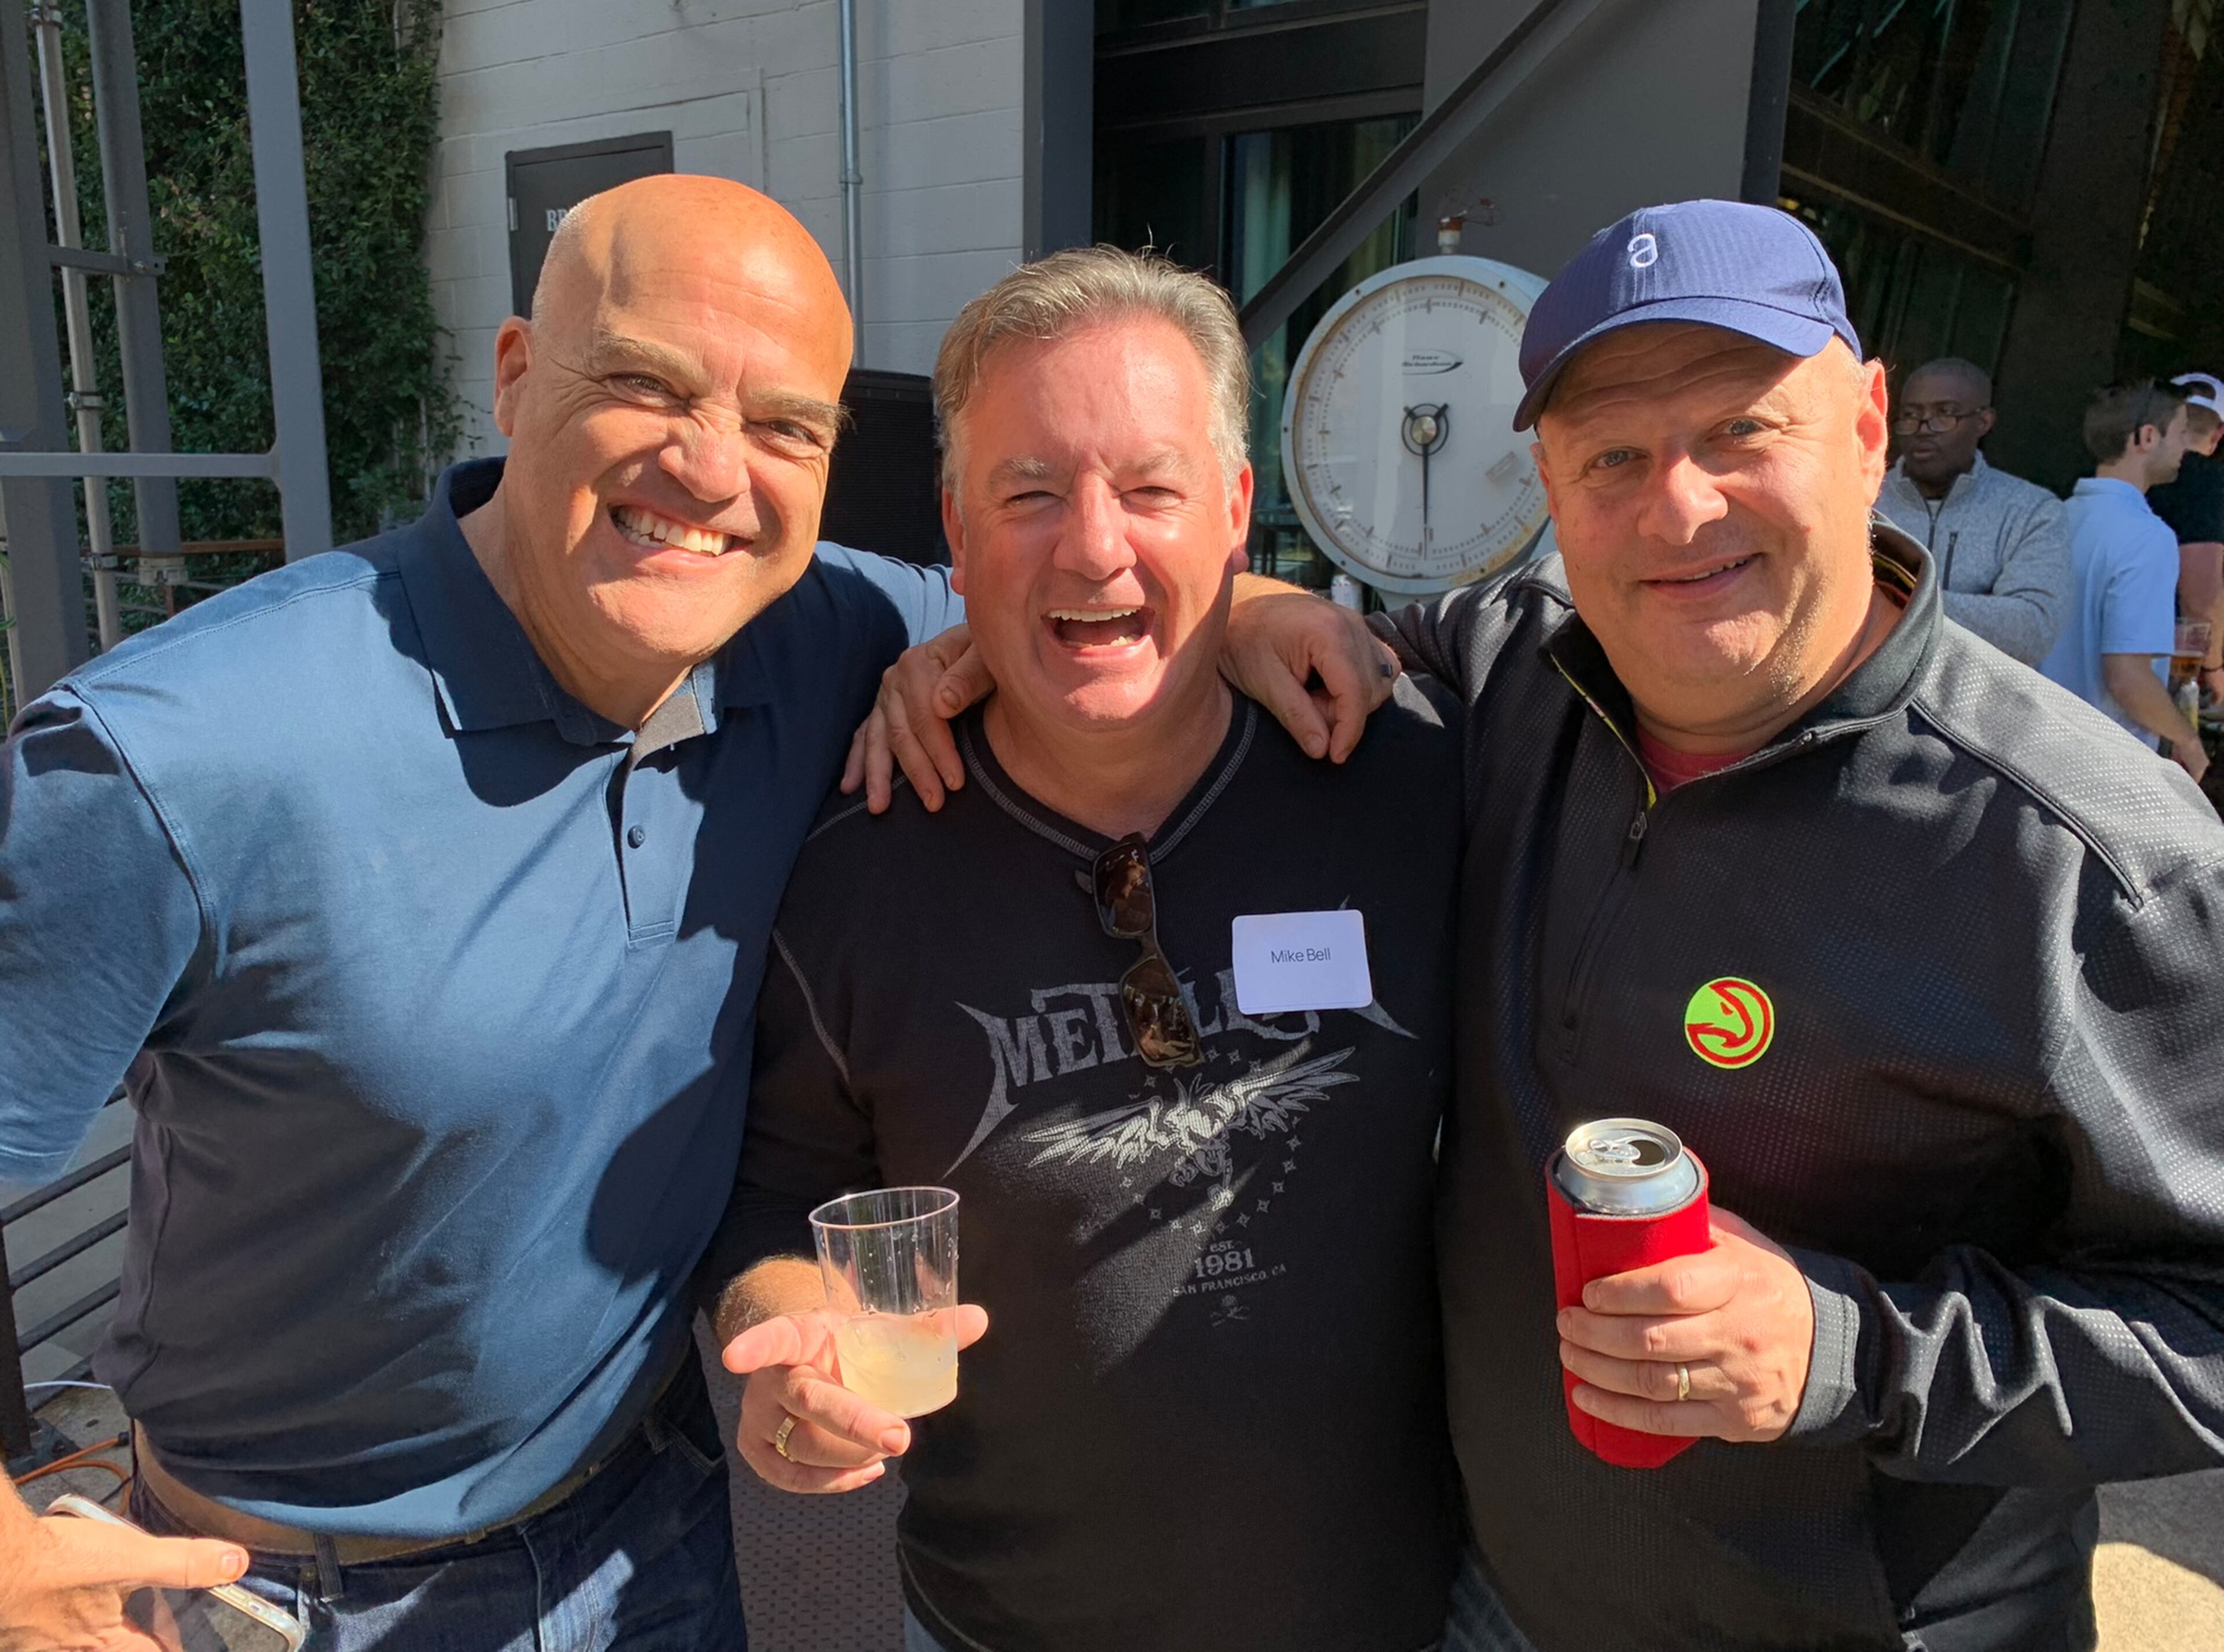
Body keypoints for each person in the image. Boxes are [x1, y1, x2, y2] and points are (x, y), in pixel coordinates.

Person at [0, 176, 1382, 1651]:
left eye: (785, 424)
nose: (712, 469)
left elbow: (1070, 589)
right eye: (646, 385)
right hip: (277, 1587)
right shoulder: (180, 755)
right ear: (516, 376)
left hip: (653, 1534)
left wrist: (1249, 610)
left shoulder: (811, 629)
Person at [866, 200, 2224, 1652]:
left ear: (1866, 425)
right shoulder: (1512, 677)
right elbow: (1223, 622)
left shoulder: (2094, 860)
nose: (1678, 508)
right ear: (1551, 487)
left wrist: (1849, 1349)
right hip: (1492, 1605)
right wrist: (1211, 607)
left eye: (1739, 431)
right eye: (1613, 457)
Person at [705, 248, 1463, 1652]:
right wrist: (790, 1343)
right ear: (955, 526)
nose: (1093, 548)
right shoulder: (855, 873)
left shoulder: (1403, 780)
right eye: (1030, 492)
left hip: (1395, 1613)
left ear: (1235, 511)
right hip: (1000, 1622)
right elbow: (779, 1201)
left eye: (1151, 490)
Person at [2037, 379, 2204, 779]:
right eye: (2181, 432)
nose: (2186, 447)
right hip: (2103, 767)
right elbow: (2128, 678)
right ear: (2147, 437)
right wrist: (2187, 740)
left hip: (2033, 749)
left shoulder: (2052, 519)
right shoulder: (2149, 537)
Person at [1871, 357, 2068, 664]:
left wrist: (1893, 598)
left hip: (1979, 692)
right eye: (1911, 415)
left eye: (1945, 413)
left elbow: (2031, 631)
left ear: (1984, 422)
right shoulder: (1866, 497)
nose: (1924, 429)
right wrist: (1983, 609)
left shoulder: (2031, 510)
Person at [2153, 371, 2224, 700]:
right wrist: (2215, 670)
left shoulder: (2129, 473)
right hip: (2172, 668)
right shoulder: (2208, 482)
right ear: (2219, 433)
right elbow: (2202, 598)